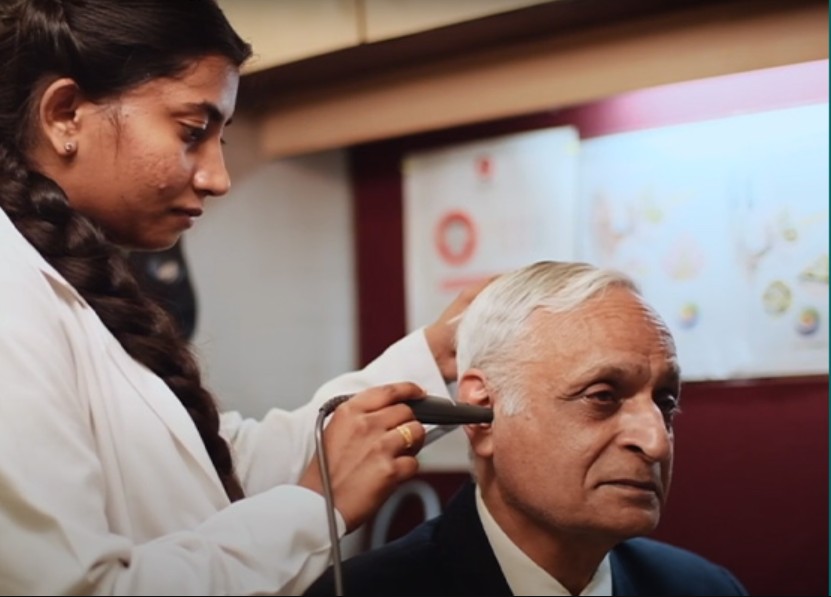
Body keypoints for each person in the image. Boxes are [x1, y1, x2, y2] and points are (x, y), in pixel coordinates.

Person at [0, 1, 482, 593]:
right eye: (192, 132)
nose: (217, 177)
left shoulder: (58, 278)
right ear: (65, 114)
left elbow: (220, 466)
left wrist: (437, 357)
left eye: (220, 139)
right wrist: (315, 507)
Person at [304, 260, 750, 596]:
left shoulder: (706, 588)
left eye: (665, 402)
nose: (655, 442)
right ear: (483, 412)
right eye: (602, 397)